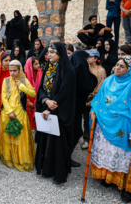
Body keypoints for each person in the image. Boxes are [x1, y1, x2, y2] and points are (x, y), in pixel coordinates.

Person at [90, 56, 131, 203]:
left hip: (125, 131)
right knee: (110, 154)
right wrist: (94, 109)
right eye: (116, 65)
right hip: (106, 127)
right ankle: (110, 177)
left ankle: (127, 187)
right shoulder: (108, 81)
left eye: (122, 66)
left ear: (129, 70)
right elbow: (98, 99)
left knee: (125, 157)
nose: (117, 68)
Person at [35, 42, 76, 184]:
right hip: (47, 107)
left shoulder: (68, 70)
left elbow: (64, 93)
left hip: (59, 111)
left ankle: (58, 172)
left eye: (53, 52)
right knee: (46, 140)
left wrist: (51, 107)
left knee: (57, 143)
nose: (49, 54)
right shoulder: (48, 67)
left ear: (60, 54)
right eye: (48, 51)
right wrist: (45, 101)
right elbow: (41, 88)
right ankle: (46, 169)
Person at [0, 60, 36, 171]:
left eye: (15, 70)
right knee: (8, 137)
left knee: (20, 137)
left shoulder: (24, 80)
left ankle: (21, 160)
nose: (12, 73)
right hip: (7, 113)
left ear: (19, 70)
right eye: (10, 71)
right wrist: (9, 111)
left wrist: (22, 86)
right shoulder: (6, 81)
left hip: (20, 113)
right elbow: (3, 97)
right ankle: (9, 159)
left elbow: (33, 93)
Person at [70, 50, 98, 166]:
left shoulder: (70, 70)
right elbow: (89, 85)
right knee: (76, 131)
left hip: (71, 107)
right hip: (75, 108)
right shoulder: (80, 70)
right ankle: (66, 157)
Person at [82, 49, 106, 149]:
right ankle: (86, 139)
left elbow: (101, 87)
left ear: (96, 58)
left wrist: (93, 100)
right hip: (85, 96)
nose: (88, 59)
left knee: (94, 118)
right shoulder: (85, 68)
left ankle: (95, 139)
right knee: (85, 119)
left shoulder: (101, 70)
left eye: (90, 57)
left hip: (95, 97)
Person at [0, 52, 11, 151]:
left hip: (10, 103)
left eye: (9, 60)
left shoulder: (12, 72)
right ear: (0, 61)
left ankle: (7, 150)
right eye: (5, 60)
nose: (8, 63)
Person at [24, 57, 43, 131]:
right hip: (28, 102)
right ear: (31, 66)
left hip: (39, 101)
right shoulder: (25, 75)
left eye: (38, 63)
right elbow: (23, 90)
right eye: (36, 64)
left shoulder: (41, 73)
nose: (38, 65)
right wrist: (28, 101)